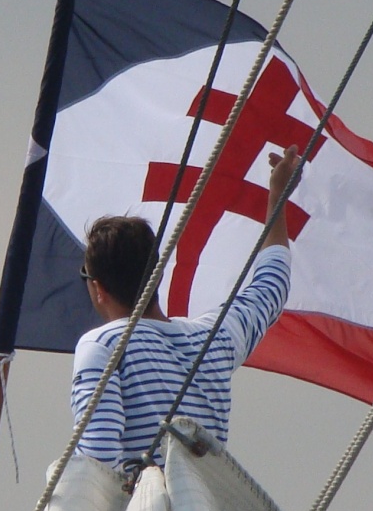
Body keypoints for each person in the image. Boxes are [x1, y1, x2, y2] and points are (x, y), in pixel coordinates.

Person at [72, 144, 301, 469]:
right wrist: (278, 194)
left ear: (98, 289)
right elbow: (272, 285)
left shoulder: (103, 346)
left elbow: (97, 460)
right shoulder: (213, 336)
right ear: (159, 273)